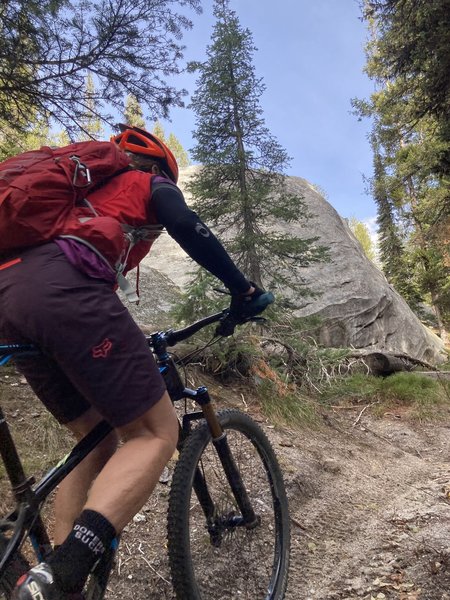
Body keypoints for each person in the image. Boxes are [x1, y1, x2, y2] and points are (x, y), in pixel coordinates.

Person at [0, 124, 274, 600]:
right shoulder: (146, 182)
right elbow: (188, 225)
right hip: (63, 291)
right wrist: (241, 288)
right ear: (159, 169)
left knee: (95, 436)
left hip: (9, 295)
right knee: (154, 432)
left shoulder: (77, 196)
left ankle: (59, 581)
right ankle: (61, 574)